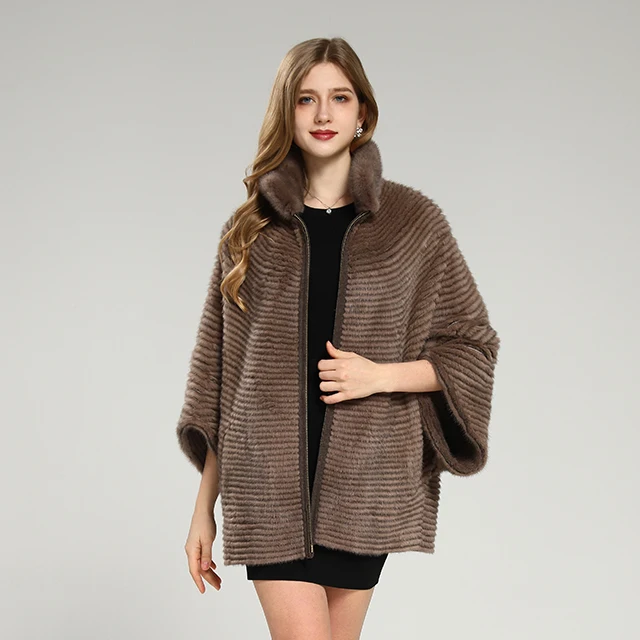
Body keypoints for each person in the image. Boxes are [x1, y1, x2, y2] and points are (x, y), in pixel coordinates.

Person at [176, 37, 500, 639]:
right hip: (266, 488)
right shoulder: (249, 231)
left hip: (365, 489)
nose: (323, 114)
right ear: (287, 111)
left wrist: (379, 376)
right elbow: (223, 383)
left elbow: (472, 347)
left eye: (339, 97)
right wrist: (203, 510)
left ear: (362, 113)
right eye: (306, 99)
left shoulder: (413, 223)